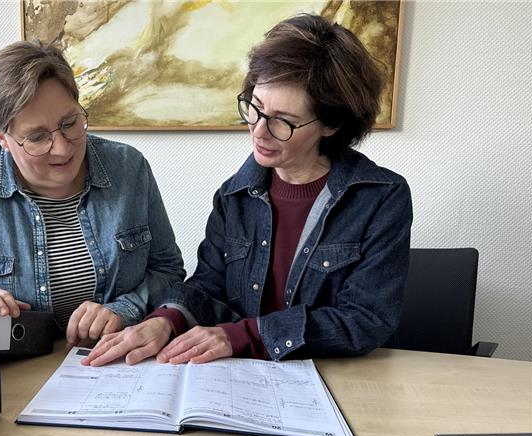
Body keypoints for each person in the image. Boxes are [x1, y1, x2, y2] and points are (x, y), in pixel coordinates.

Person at [83, 14, 413, 366]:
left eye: (282, 121)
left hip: (336, 379)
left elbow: (365, 320)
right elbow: (208, 285)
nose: (259, 131)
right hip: (242, 378)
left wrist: (240, 335)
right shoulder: (235, 195)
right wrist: (166, 320)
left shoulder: (380, 198)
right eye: (255, 108)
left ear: (331, 124)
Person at [0, 41, 185, 346]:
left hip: (110, 363)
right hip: (9, 368)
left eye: (70, 123)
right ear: (1, 135)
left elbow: (167, 269)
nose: (62, 148)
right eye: (37, 137)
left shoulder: (129, 169)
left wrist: (123, 309)